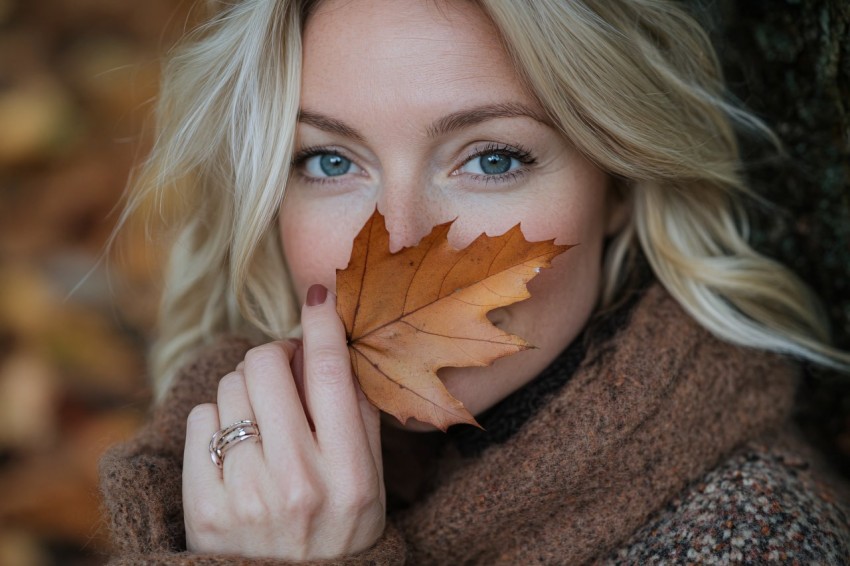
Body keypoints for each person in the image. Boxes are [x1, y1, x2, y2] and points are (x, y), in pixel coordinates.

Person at [99, 0, 850, 563]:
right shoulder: (203, 473)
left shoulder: (747, 537)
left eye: (492, 159)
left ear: (619, 183)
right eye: (330, 161)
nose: (397, 240)